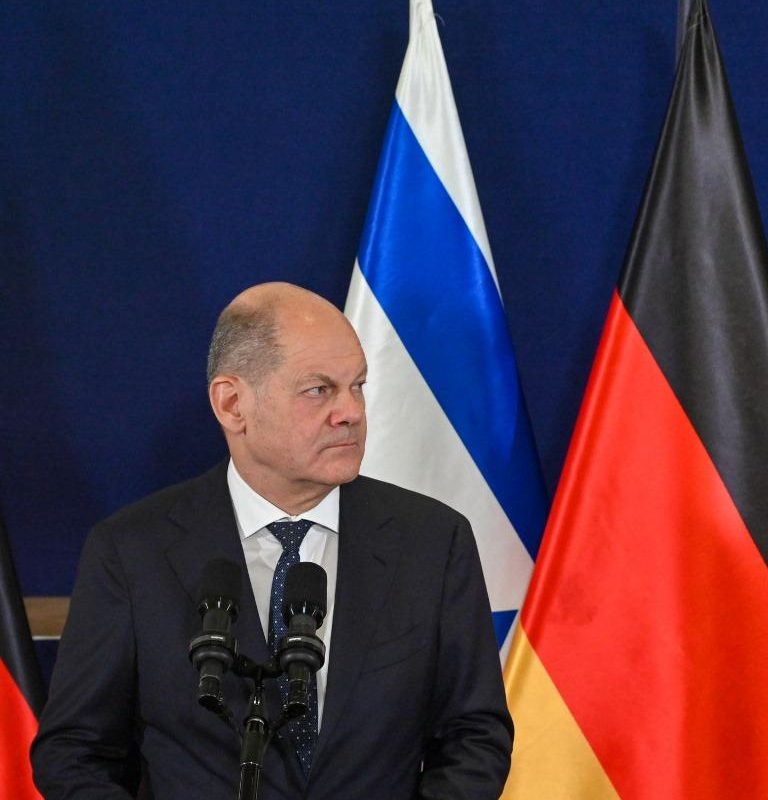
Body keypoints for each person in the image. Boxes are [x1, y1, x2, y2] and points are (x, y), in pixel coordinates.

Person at [31, 283, 512, 798]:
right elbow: (75, 752)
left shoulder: (432, 541)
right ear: (232, 404)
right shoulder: (131, 552)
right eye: (319, 390)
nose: (350, 412)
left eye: (357, 386)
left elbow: (474, 736)